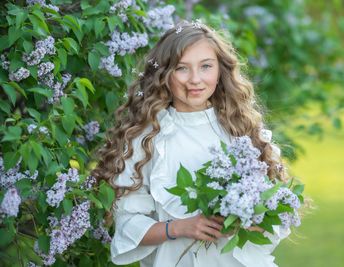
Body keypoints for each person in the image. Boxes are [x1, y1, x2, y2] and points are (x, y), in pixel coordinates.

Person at [92, 20, 291, 267]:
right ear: (164, 74)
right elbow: (128, 225)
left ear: (220, 70)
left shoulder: (241, 128)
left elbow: (275, 212)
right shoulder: (146, 138)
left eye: (206, 66)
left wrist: (246, 218)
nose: (195, 79)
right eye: (181, 68)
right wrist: (180, 227)